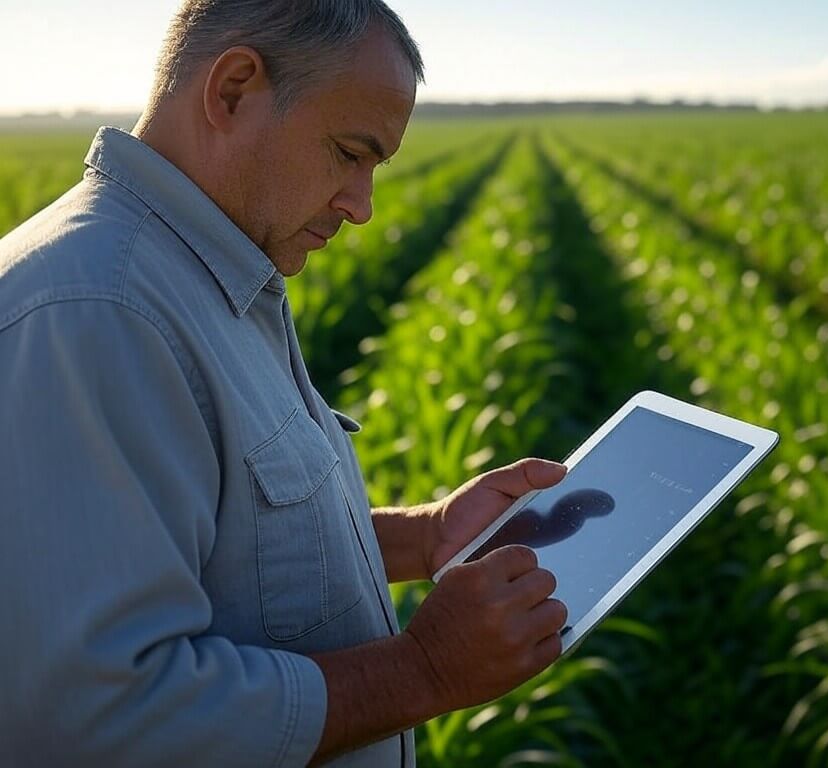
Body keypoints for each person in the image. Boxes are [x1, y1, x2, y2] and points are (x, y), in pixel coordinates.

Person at [0, 1, 569, 765]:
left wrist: (428, 535)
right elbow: (102, 718)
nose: (360, 206)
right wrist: (423, 670)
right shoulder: (99, 313)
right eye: (348, 153)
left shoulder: (200, 270)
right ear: (233, 89)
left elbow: (225, 549)